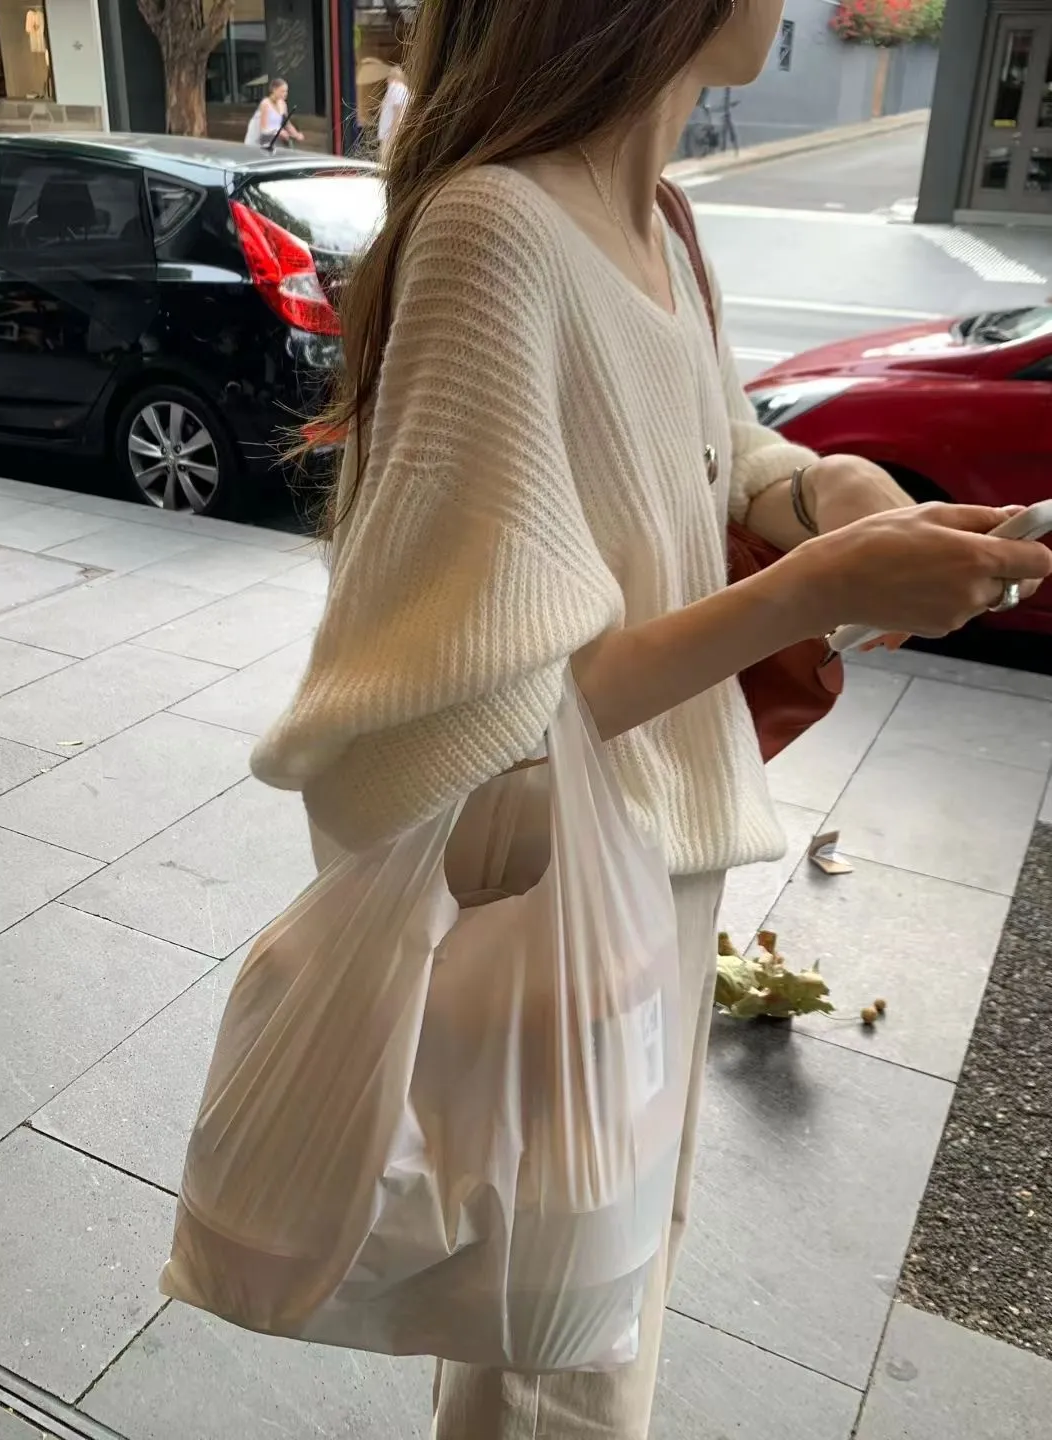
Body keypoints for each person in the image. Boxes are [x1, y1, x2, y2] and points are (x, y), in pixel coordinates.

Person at [251, 0, 1052, 1434]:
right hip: (553, 867)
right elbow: (478, 703)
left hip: (660, 861)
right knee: (557, 1355)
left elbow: (713, 443)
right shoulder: (495, 231)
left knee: (591, 1291)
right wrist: (820, 588)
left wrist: (826, 492)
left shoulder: (660, 219)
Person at [244, 78, 304, 150]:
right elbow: (263, 129)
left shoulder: (283, 104)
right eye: (282, 91)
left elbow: (287, 124)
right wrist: (279, 132)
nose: (285, 94)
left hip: (272, 141)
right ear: (274, 90)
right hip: (258, 141)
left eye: (286, 91)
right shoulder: (265, 103)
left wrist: (296, 135)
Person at [377, 64, 408, 164]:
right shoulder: (398, 89)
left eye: (389, 76)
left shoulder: (397, 88)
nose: (387, 80)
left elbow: (399, 111)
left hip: (390, 132)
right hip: (389, 132)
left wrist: (394, 132)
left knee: (387, 160)